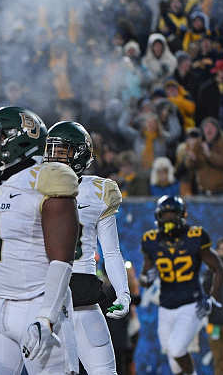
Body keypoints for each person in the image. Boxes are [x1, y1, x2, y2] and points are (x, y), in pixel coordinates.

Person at [0, 106, 80, 374]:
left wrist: (46, 317)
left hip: (38, 302)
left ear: (20, 140)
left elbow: (62, 261)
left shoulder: (47, 179)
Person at [44, 121, 131, 375]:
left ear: (80, 154)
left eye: (62, 152)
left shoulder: (98, 191)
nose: (54, 158)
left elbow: (111, 251)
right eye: (52, 150)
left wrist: (123, 293)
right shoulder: (33, 186)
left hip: (82, 295)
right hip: (45, 297)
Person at [139, 195, 223, 375]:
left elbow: (219, 268)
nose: (169, 219)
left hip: (191, 304)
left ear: (182, 215)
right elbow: (143, 278)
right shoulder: (151, 240)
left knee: (177, 349)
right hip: (165, 308)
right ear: (158, 217)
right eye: (165, 215)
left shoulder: (195, 236)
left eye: (172, 214)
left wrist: (211, 298)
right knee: (172, 358)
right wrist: (147, 279)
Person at [203, 238, 223, 375]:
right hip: (214, 323)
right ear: (217, 251)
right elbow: (204, 294)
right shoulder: (210, 273)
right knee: (218, 359)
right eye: (222, 249)